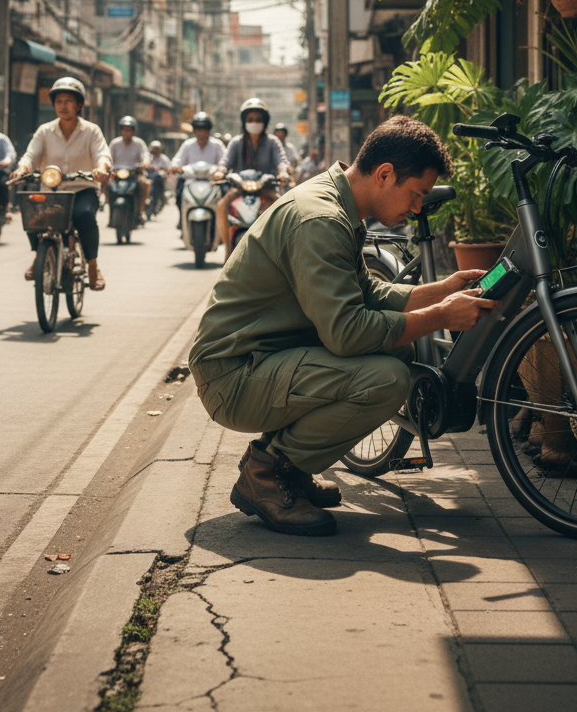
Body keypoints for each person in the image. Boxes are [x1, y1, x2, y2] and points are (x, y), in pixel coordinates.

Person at [189, 115, 500, 537]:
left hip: (263, 358)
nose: (416, 208)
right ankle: (265, 476)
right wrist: (441, 317)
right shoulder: (320, 219)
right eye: (415, 194)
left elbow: (365, 293)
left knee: (398, 350)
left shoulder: (337, 204)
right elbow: (347, 332)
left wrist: (437, 293)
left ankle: (286, 467)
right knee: (387, 380)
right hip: (233, 375)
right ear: (385, 174)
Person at [11, 77, 111, 290]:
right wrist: (23, 169)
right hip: (52, 191)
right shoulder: (44, 131)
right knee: (31, 213)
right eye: (58, 101)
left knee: (84, 216)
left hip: (83, 190)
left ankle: (93, 265)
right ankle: (39, 255)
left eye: (68, 101)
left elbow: (102, 154)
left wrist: (101, 168)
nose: (63, 106)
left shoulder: (92, 131)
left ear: (79, 105)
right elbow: (31, 155)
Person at [214, 98, 290, 261]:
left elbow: (281, 161)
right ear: (244, 122)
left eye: (258, 120)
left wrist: (283, 172)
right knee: (221, 205)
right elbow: (225, 161)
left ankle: (284, 252)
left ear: (265, 122)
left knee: (285, 208)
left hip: (266, 189)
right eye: (250, 120)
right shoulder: (236, 142)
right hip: (239, 188)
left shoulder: (272, 142)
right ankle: (228, 248)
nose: (254, 123)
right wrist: (220, 171)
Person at [171, 112, 227, 228]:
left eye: (205, 129)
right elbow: (178, 160)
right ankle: (183, 218)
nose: (202, 133)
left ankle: (223, 224)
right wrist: (175, 167)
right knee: (178, 194)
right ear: (194, 131)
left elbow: (224, 160)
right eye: (199, 129)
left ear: (209, 130)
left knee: (225, 196)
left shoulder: (217, 145)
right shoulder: (188, 145)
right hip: (191, 181)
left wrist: (221, 171)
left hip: (213, 182)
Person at [108, 115, 151, 220]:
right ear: (121, 130)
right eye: (124, 130)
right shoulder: (115, 143)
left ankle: (141, 211)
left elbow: (145, 155)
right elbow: (108, 157)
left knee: (144, 184)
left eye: (128, 130)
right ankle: (107, 205)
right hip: (117, 174)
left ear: (133, 131)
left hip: (134, 174)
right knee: (106, 183)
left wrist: (145, 163)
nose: (126, 133)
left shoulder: (139, 143)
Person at [147, 140, 171, 210]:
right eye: (154, 149)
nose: (155, 151)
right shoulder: (148, 158)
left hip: (159, 179)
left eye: (157, 149)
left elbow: (169, 168)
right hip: (149, 177)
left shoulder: (164, 159)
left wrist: (162, 169)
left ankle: (160, 195)